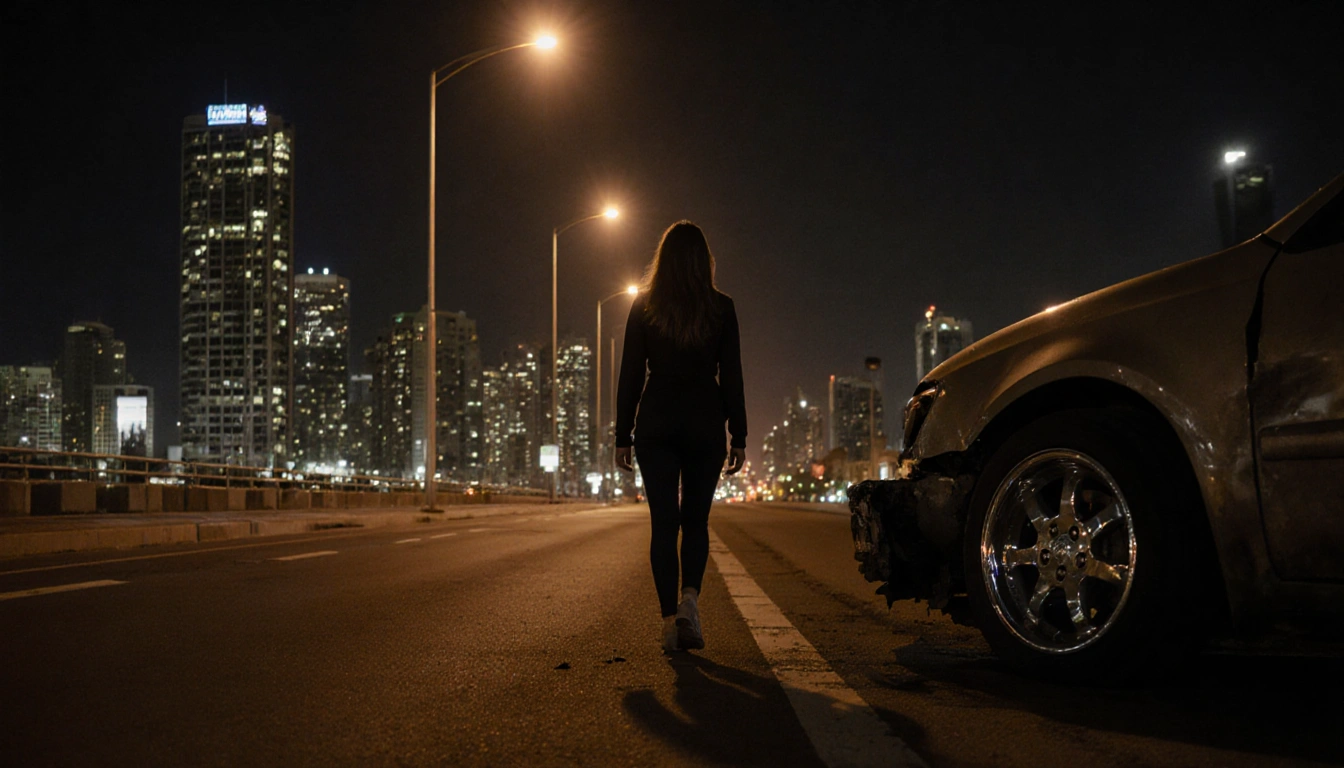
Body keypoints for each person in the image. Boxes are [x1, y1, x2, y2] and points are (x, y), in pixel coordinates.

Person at [614, 220, 747, 653]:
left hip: (657, 422)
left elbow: (631, 375)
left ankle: (670, 621)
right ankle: (690, 600)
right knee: (695, 522)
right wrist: (738, 434)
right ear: (704, 262)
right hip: (705, 421)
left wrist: (623, 435)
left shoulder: (644, 306)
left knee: (663, 524)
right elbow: (732, 376)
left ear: (662, 261)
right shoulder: (722, 308)